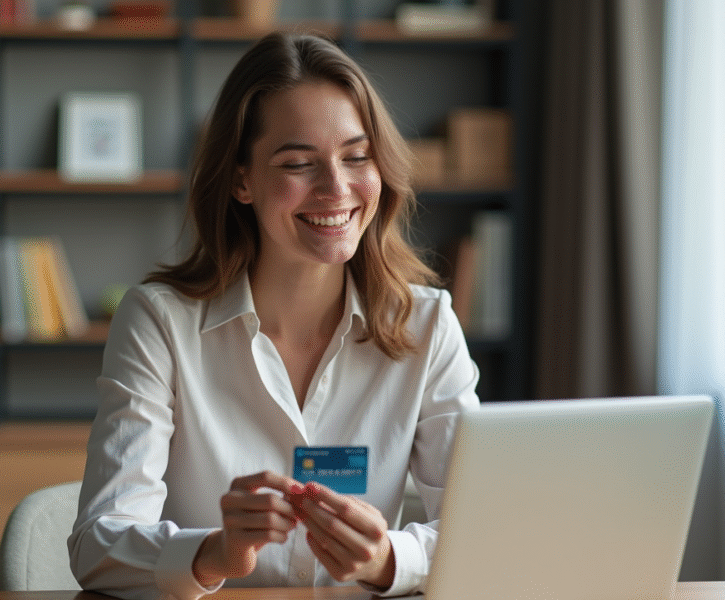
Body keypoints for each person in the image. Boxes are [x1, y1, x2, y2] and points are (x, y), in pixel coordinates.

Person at [67, 31, 480, 600]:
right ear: (241, 179)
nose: (336, 189)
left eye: (356, 157)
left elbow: (481, 534)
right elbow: (98, 543)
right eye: (298, 164)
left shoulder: (427, 325)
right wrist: (213, 554)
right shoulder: (159, 322)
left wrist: (389, 558)